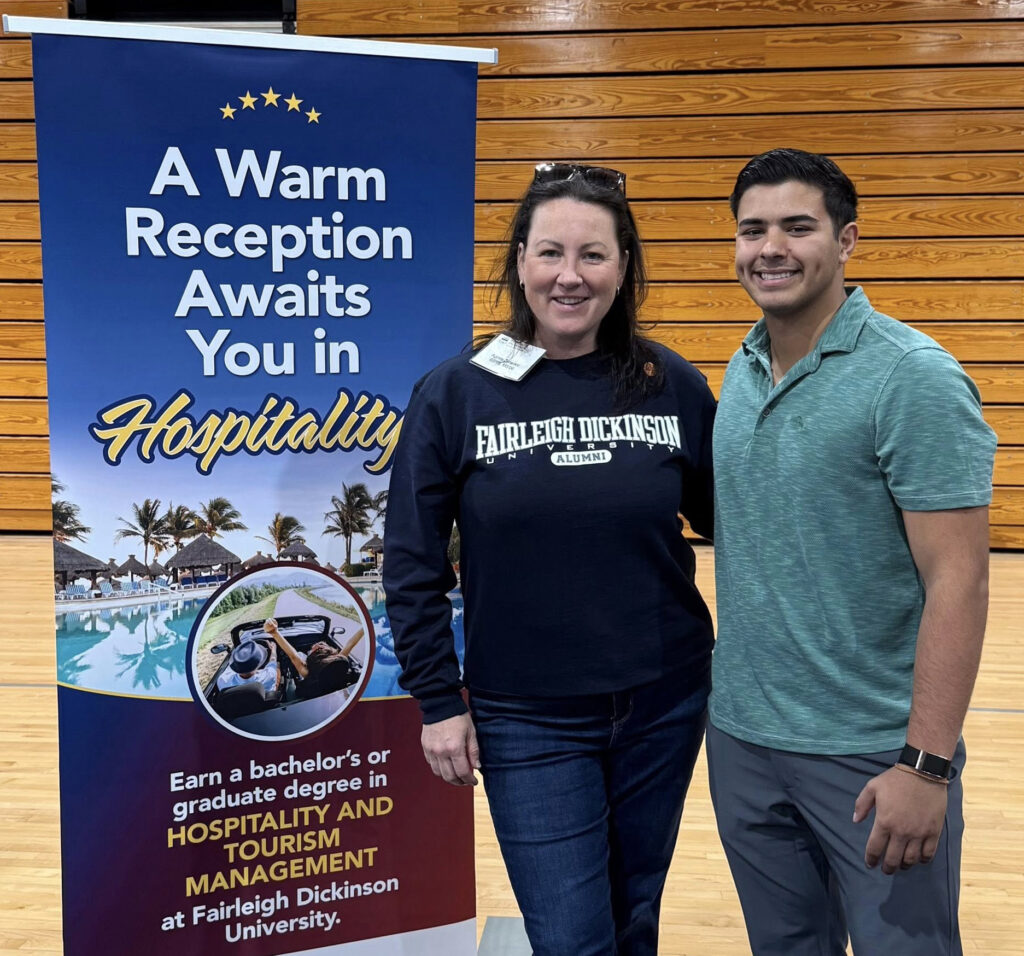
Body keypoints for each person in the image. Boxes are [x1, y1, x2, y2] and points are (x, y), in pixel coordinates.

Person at [383, 162, 717, 955]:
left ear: (624, 267)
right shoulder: (456, 392)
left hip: (664, 698)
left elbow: (734, 522)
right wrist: (438, 700)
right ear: (520, 262)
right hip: (527, 712)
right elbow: (411, 560)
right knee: (571, 936)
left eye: (593, 254)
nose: (571, 276)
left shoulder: (670, 384)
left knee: (634, 914)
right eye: (550, 253)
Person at [708, 147, 997, 955]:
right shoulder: (742, 366)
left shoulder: (912, 378)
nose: (771, 248)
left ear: (846, 240)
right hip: (744, 742)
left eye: (797, 227)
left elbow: (961, 582)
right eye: (753, 230)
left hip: (872, 753)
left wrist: (926, 765)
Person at [263, 617, 363, 695]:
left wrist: (275, 633)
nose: (316, 645)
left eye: (313, 648)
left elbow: (293, 656)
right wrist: (365, 628)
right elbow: (351, 643)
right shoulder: (338, 662)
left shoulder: (309, 673)